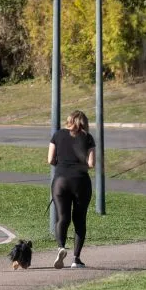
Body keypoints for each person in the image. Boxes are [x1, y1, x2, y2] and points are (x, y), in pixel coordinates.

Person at [48, 110, 96, 269]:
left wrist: (62, 165)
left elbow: (50, 159)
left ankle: (61, 247)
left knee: (62, 218)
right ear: (84, 123)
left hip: (60, 180)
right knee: (79, 220)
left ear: (69, 120)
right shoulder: (88, 138)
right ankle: (76, 259)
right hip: (81, 182)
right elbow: (91, 163)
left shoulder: (58, 135)